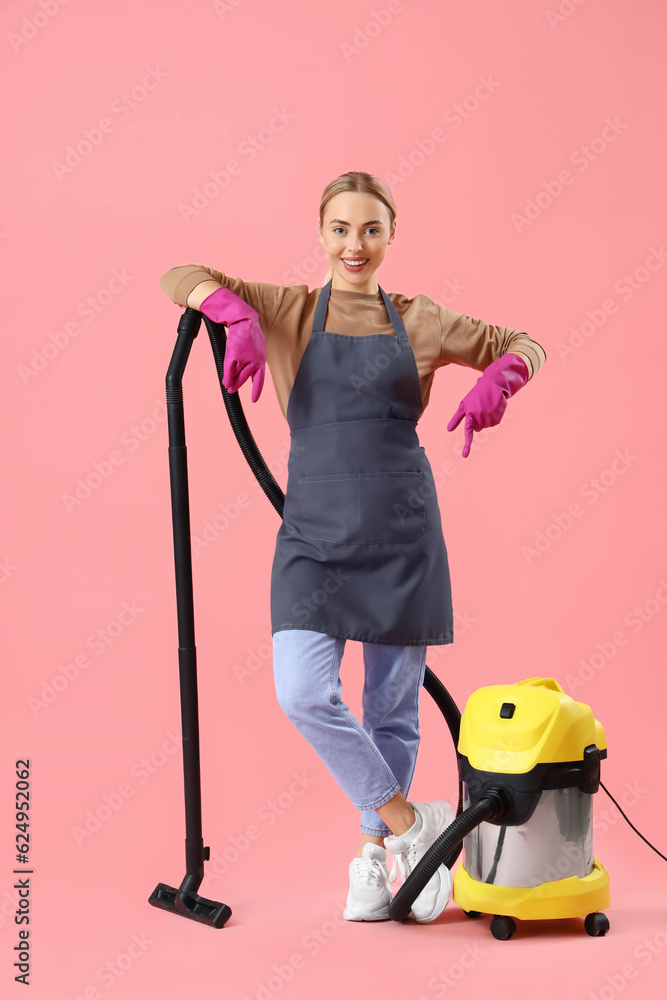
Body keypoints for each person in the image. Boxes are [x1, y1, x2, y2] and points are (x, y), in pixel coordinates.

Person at [159, 170, 547, 923]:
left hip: (403, 533)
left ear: (390, 235)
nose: (354, 244)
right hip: (312, 536)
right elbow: (179, 275)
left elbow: (523, 341)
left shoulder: (420, 319)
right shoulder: (289, 310)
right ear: (321, 234)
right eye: (340, 228)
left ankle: (374, 856)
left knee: (393, 710)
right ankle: (411, 823)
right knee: (302, 691)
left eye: (370, 228)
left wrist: (502, 376)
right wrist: (232, 315)